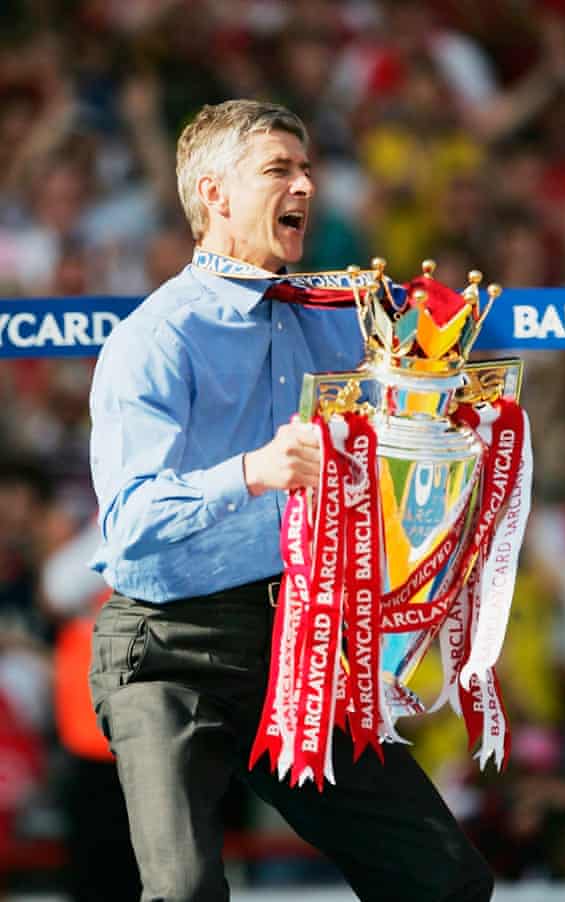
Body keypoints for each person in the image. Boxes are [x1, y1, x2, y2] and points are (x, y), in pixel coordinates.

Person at [88, 98, 494, 902]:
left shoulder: (346, 322)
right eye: (279, 169)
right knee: (183, 893)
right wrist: (252, 471)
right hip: (168, 649)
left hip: (300, 645)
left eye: (307, 168)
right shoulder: (156, 336)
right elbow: (127, 523)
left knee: (445, 882)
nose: (306, 184)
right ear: (216, 194)